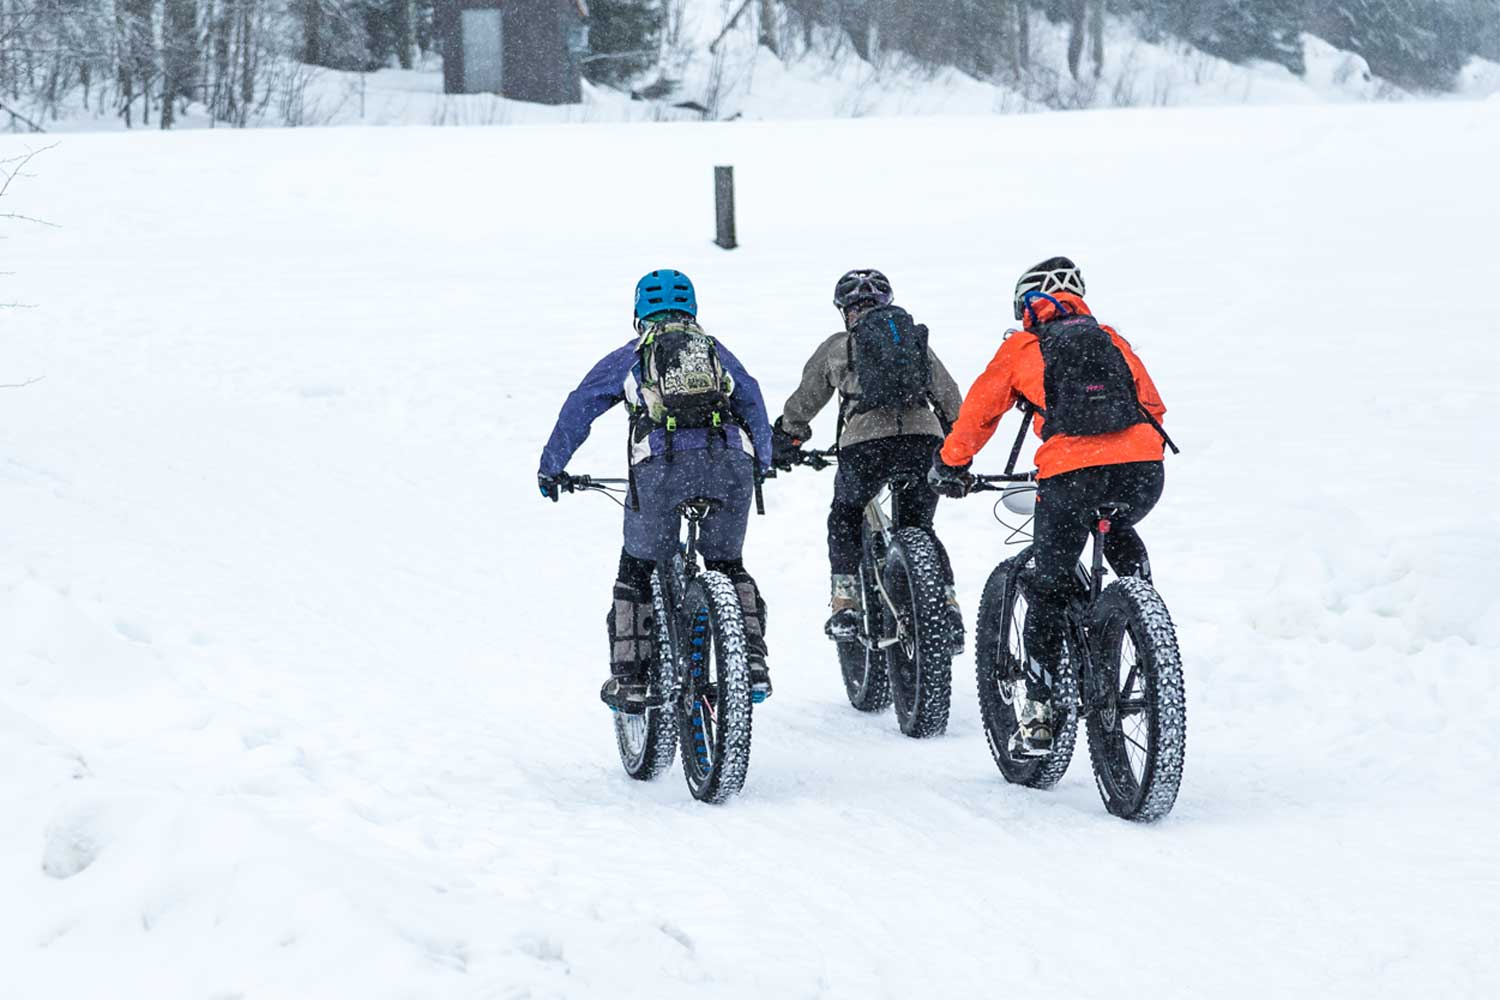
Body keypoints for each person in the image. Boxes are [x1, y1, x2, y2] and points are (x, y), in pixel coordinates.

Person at [929, 256, 1169, 756]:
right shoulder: (1111, 339)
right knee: (1117, 526)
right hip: (1142, 471)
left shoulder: (1023, 347)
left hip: (1070, 476)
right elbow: (1154, 405)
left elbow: (979, 413)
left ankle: (1038, 712)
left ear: (1027, 306)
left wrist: (951, 464)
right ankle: (1144, 624)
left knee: (1048, 582)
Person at [538, 269, 775, 712]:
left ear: (638, 313)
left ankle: (630, 678)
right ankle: (751, 661)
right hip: (729, 465)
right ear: (692, 310)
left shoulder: (632, 355)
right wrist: (762, 460)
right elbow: (752, 399)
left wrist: (553, 467)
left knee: (637, 566)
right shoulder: (715, 352)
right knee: (727, 562)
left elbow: (580, 407)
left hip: (662, 471)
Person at [771, 269, 966, 648]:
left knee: (845, 514)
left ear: (845, 311)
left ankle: (845, 602)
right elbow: (950, 397)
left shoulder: (839, 345)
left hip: (865, 446)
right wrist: (954, 443)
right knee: (921, 527)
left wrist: (788, 437)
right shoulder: (913, 342)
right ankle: (947, 603)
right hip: (922, 441)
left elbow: (806, 401)